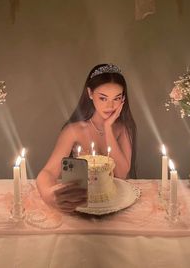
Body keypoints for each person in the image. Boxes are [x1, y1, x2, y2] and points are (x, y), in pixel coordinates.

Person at [36, 63, 137, 212]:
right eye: (103, 98)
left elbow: (121, 174)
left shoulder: (122, 129)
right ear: (90, 93)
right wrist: (48, 194)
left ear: (123, 99)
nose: (110, 106)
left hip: (114, 205)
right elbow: (48, 172)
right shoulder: (74, 131)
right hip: (79, 203)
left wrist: (108, 128)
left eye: (116, 98)